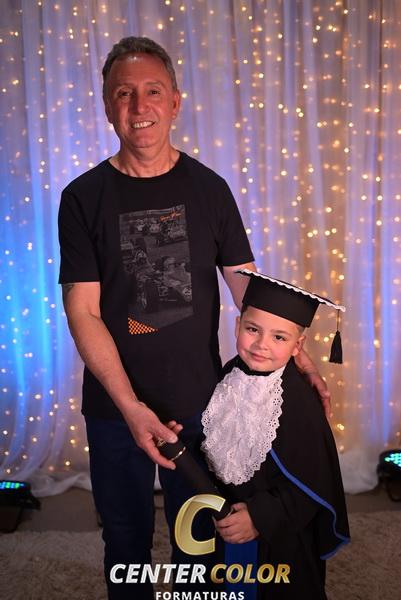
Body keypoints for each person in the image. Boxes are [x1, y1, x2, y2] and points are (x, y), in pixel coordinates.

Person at [58, 36, 331, 599]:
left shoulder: (209, 189)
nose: (140, 106)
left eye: (153, 91)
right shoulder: (82, 197)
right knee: (125, 540)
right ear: (107, 106)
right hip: (115, 410)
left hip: (201, 406)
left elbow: (247, 288)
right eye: (124, 94)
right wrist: (129, 406)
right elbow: (83, 310)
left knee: (201, 542)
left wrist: (297, 353)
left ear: (175, 102)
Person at [201, 269, 350, 599]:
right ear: (237, 326)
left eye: (279, 338)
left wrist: (259, 517)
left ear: (298, 346)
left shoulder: (298, 402)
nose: (261, 345)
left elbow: (313, 482)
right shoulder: (230, 374)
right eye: (252, 329)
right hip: (226, 520)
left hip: (279, 536)